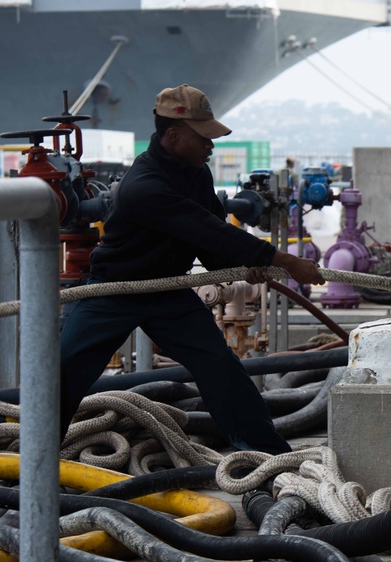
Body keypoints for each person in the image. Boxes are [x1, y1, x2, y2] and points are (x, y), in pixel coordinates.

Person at [59, 84, 324, 454]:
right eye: (203, 138)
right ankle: (33, 456)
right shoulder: (143, 186)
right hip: (114, 290)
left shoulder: (195, 172)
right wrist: (286, 261)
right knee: (65, 371)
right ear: (172, 135)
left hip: (167, 291)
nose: (210, 146)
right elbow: (209, 230)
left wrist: (244, 266)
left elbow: (213, 241)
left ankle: (265, 453)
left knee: (219, 363)